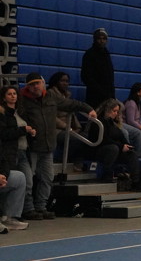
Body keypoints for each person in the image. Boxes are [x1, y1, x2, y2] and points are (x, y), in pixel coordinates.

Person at [18, 73, 96, 220]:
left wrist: (88, 109)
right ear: (27, 87)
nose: (35, 87)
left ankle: (41, 207)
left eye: (37, 83)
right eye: (32, 84)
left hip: (48, 146)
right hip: (31, 146)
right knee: (28, 181)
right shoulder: (22, 100)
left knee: (47, 178)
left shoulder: (51, 97)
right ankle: (28, 209)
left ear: (43, 83)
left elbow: (71, 104)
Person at [0, 86, 34, 228]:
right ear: (3, 97)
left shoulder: (20, 112)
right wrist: (22, 130)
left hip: (21, 151)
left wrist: (3, 173)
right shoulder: (4, 115)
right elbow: (4, 134)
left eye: (15, 93)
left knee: (22, 178)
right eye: (9, 94)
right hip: (11, 151)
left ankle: (12, 216)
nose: (13, 96)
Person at [90, 99, 141, 187]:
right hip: (99, 150)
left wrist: (127, 145)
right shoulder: (98, 122)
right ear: (107, 110)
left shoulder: (112, 123)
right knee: (113, 148)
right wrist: (121, 146)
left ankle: (136, 181)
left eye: (117, 111)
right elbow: (104, 140)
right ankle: (107, 176)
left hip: (115, 150)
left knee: (131, 154)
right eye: (114, 111)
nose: (116, 114)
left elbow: (121, 137)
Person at [81, 28, 116, 108]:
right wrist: (100, 91)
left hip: (108, 96)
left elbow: (110, 77)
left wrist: (112, 94)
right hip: (95, 97)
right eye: (99, 39)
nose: (102, 41)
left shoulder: (106, 54)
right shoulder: (89, 54)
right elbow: (86, 77)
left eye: (104, 39)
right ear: (95, 40)